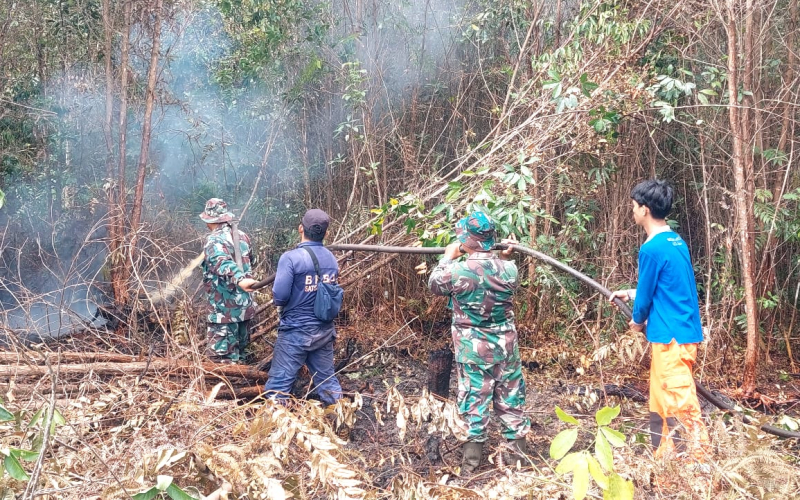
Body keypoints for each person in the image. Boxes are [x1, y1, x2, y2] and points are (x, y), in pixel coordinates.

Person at [609, 179, 710, 463]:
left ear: (644, 209)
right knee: (661, 403)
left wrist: (637, 320)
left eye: (633, 206)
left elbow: (645, 299)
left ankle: (698, 468)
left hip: (671, 339)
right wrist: (630, 294)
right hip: (676, 335)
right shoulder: (675, 241)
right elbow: (666, 286)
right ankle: (666, 462)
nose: (632, 211)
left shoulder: (652, 248)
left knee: (680, 404)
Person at [428, 211, 530, 473]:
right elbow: (496, 274)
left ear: (467, 240)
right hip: (506, 347)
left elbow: (434, 284)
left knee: (474, 401)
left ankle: (471, 466)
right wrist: (503, 257)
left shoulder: (456, 271)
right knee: (511, 399)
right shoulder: (510, 269)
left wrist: (447, 257)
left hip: (472, 350)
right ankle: (518, 462)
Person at [263, 209, 343, 406]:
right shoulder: (331, 259)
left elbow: (280, 297)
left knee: (278, 385)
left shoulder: (290, 258)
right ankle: (340, 417)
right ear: (326, 233)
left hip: (295, 332)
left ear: (301, 228)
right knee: (327, 381)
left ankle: (276, 421)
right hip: (324, 332)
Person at [200, 198, 258, 364]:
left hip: (224, 314)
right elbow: (252, 262)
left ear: (209, 220)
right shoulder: (242, 236)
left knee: (222, 364)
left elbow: (223, 263)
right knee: (242, 359)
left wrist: (239, 279)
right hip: (244, 310)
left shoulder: (214, 240)